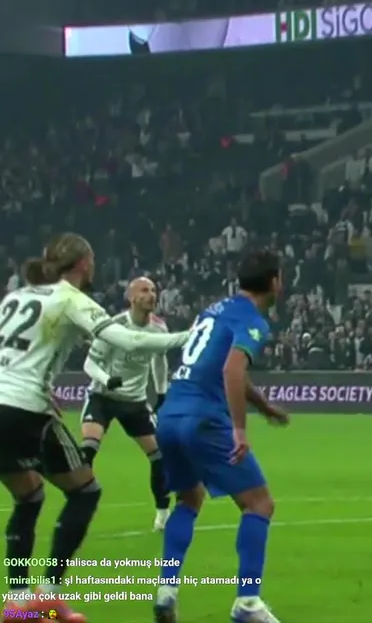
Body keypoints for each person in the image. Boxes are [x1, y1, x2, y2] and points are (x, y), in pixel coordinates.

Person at [0, 234, 189, 623]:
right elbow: (128, 340)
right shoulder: (71, 299)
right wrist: (192, 336)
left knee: (29, 495)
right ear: (84, 263)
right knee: (85, 491)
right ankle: (48, 595)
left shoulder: (16, 297)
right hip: (23, 410)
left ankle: (18, 603)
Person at [151, 250, 290, 623]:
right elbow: (232, 369)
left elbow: (219, 365)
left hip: (170, 415)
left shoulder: (212, 311)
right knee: (259, 504)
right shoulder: (253, 320)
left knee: (189, 498)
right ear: (274, 282)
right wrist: (239, 429)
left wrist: (263, 406)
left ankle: (166, 591)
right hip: (203, 418)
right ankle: (248, 602)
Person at [80, 276, 174, 532]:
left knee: (159, 457)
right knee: (87, 451)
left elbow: (159, 360)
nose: (151, 294)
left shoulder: (159, 329)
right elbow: (90, 364)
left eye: (153, 290)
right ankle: (79, 509)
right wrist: (107, 380)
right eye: (144, 290)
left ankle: (162, 513)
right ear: (131, 298)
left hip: (135, 401)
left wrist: (161, 392)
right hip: (103, 397)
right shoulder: (113, 327)